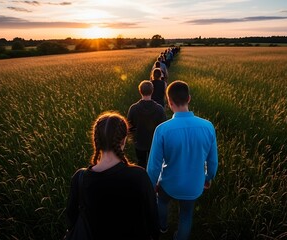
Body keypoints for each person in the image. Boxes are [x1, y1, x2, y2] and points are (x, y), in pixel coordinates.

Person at [66, 111, 160, 240]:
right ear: (124, 140)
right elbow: (152, 216)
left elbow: (72, 216)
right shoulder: (139, 176)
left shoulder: (80, 178)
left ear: (96, 140)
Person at [147, 81, 218, 240]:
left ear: (169, 102)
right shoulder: (208, 126)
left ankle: (163, 227)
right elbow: (212, 162)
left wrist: (151, 185)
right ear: (189, 99)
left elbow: (154, 166)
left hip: (168, 183)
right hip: (194, 185)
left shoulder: (162, 129)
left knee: (162, 203)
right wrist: (208, 178)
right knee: (186, 215)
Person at [128, 81, 167, 168]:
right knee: (153, 164)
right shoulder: (159, 109)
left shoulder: (133, 108)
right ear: (152, 91)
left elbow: (129, 126)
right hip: (154, 142)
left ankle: (141, 178)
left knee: (141, 163)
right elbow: (163, 127)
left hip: (139, 142)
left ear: (140, 91)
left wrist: (133, 137)